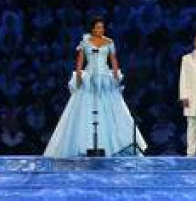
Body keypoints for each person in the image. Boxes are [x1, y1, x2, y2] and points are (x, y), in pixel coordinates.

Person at [43, 18, 146, 157]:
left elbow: (113, 58)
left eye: (102, 27)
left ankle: (113, 145)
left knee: (111, 109)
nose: (100, 30)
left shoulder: (109, 42)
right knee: (84, 110)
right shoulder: (85, 42)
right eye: (98, 27)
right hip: (89, 78)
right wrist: (79, 75)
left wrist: (116, 73)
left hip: (104, 78)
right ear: (92, 29)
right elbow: (80, 59)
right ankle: (84, 145)